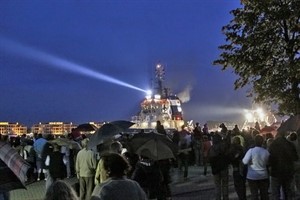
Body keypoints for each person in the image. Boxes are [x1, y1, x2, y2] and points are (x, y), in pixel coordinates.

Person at [269, 131, 298, 200]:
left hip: (275, 172)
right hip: (288, 172)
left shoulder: (272, 145)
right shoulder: (290, 145)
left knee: (275, 193)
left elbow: (270, 158)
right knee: (288, 192)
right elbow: (295, 158)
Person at [242, 134, 269, 200]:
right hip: (263, 175)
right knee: (264, 195)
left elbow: (244, 162)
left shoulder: (251, 151)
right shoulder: (266, 152)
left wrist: (250, 162)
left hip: (252, 176)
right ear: (262, 142)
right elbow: (268, 163)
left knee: (254, 195)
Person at [208, 132, 230, 200]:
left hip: (215, 169)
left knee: (217, 186)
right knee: (225, 185)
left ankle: (218, 198)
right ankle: (225, 198)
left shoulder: (211, 148)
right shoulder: (224, 146)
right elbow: (228, 156)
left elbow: (209, 160)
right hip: (224, 167)